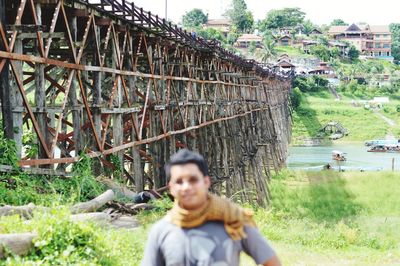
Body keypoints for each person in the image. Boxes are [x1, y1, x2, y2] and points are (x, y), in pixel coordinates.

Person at [141, 149, 281, 266]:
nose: (186, 187)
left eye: (193, 180)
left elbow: (272, 262)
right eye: (179, 181)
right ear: (171, 188)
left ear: (206, 181)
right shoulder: (161, 231)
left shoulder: (234, 219)